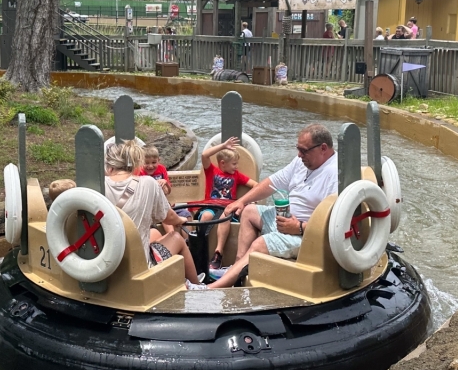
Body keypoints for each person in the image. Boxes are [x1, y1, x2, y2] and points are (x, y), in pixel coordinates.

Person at [208, 124, 339, 289]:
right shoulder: (301, 162)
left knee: (260, 243)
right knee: (248, 211)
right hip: (288, 222)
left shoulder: (335, 174)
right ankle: (236, 271)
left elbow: (334, 225)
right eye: (298, 149)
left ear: (323, 148)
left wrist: (299, 227)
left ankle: (212, 288)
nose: (299, 155)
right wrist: (241, 201)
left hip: (308, 237)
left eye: (304, 150)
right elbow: (272, 183)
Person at [103, 141, 200, 288]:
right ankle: (196, 285)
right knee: (176, 237)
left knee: (154, 232)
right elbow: (169, 217)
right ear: (136, 164)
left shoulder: (98, 185)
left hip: (107, 262)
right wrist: (180, 219)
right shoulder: (148, 183)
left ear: (109, 167)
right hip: (139, 267)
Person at [197, 137, 258, 275]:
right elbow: (204, 155)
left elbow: (255, 185)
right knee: (206, 216)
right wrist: (223, 146)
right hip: (211, 206)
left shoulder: (236, 175)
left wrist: (250, 200)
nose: (236, 167)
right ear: (222, 163)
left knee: (225, 216)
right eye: (234, 164)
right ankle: (199, 250)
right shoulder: (212, 171)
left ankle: (218, 253)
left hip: (227, 209)